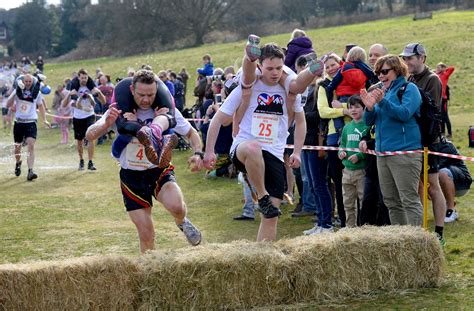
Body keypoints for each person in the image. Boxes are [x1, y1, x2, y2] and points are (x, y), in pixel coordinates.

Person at [85, 79, 203, 253]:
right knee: (147, 234)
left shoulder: (164, 110)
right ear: (132, 90)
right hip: (131, 177)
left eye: (151, 94)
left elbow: (191, 133)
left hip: (158, 171)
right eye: (141, 95)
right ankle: (150, 273)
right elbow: (90, 134)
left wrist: (198, 153)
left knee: (177, 207)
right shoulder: (120, 108)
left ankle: (182, 222)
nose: (146, 99)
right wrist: (106, 124)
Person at [204, 43, 306, 242]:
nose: (275, 73)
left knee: (270, 218)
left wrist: (297, 152)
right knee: (253, 146)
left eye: (279, 68)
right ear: (259, 66)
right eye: (269, 68)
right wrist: (209, 151)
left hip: (274, 155)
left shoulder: (290, 92)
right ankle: (262, 196)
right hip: (243, 148)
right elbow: (217, 120)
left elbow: (301, 122)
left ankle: (263, 260)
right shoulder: (246, 88)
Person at [361, 54, 423, 227]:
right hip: (382, 153)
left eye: (384, 71)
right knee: (390, 201)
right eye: (378, 72)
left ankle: (417, 243)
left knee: (409, 200)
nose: (380, 76)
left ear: (397, 70)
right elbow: (368, 122)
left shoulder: (409, 89)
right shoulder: (383, 91)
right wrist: (370, 107)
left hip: (404, 152)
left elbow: (404, 113)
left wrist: (382, 102)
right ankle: (401, 241)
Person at [400, 43, 447, 245]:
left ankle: (439, 231)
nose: (407, 62)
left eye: (410, 58)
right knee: (417, 186)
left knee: (432, 186)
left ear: (422, 58)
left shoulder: (432, 80)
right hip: (412, 140)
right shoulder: (409, 78)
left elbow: (430, 112)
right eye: (405, 58)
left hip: (429, 141)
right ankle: (419, 230)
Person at [318, 52, 351, 228]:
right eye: (327, 66)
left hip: (355, 135)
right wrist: (345, 111)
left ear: (341, 64)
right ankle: (345, 220)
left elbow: (359, 104)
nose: (331, 69)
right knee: (339, 182)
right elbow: (323, 111)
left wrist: (343, 106)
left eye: (334, 64)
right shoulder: (323, 86)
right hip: (333, 137)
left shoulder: (351, 81)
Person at [7, 74, 50, 180]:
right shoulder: (17, 91)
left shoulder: (37, 92)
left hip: (31, 122)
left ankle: (30, 171)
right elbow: (8, 104)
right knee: (18, 147)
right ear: (22, 81)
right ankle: (18, 162)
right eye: (26, 81)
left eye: (30, 81)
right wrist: (15, 92)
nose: (28, 83)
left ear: (33, 81)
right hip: (19, 123)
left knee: (31, 145)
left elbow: (40, 106)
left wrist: (44, 119)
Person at [62, 69, 105, 170]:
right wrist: (69, 94)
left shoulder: (91, 87)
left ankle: (90, 162)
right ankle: (81, 160)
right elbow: (64, 105)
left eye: (85, 78)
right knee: (80, 141)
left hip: (90, 115)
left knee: (91, 138)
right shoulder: (74, 88)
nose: (84, 80)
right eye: (82, 78)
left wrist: (99, 93)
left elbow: (103, 101)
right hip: (78, 117)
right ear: (78, 77)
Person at [337, 95, 369, 227]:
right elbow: (342, 144)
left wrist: (359, 156)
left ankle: (363, 228)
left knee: (364, 201)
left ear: (364, 108)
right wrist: (341, 152)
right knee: (348, 202)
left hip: (361, 171)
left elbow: (370, 148)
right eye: (351, 107)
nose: (354, 110)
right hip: (347, 171)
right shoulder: (346, 127)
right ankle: (350, 227)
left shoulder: (367, 126)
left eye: (357, 107)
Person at [433, 138, 472, 223]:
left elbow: (436, 168)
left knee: (441, 173)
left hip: (461, 184)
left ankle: (451, 210)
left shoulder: (446, 145)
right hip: (445, 181)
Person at [435, 63, 455, 138]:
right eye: (437, 67)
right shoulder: (437, 75)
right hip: (438, 98)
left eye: (439, 67)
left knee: (445, 116)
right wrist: (436, 71)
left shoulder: (445, 75)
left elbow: (452, 68)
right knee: (440, 116)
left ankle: (449, 133)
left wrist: (444, 69)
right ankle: (442, 132)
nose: (438, 68)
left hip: (443, 98)